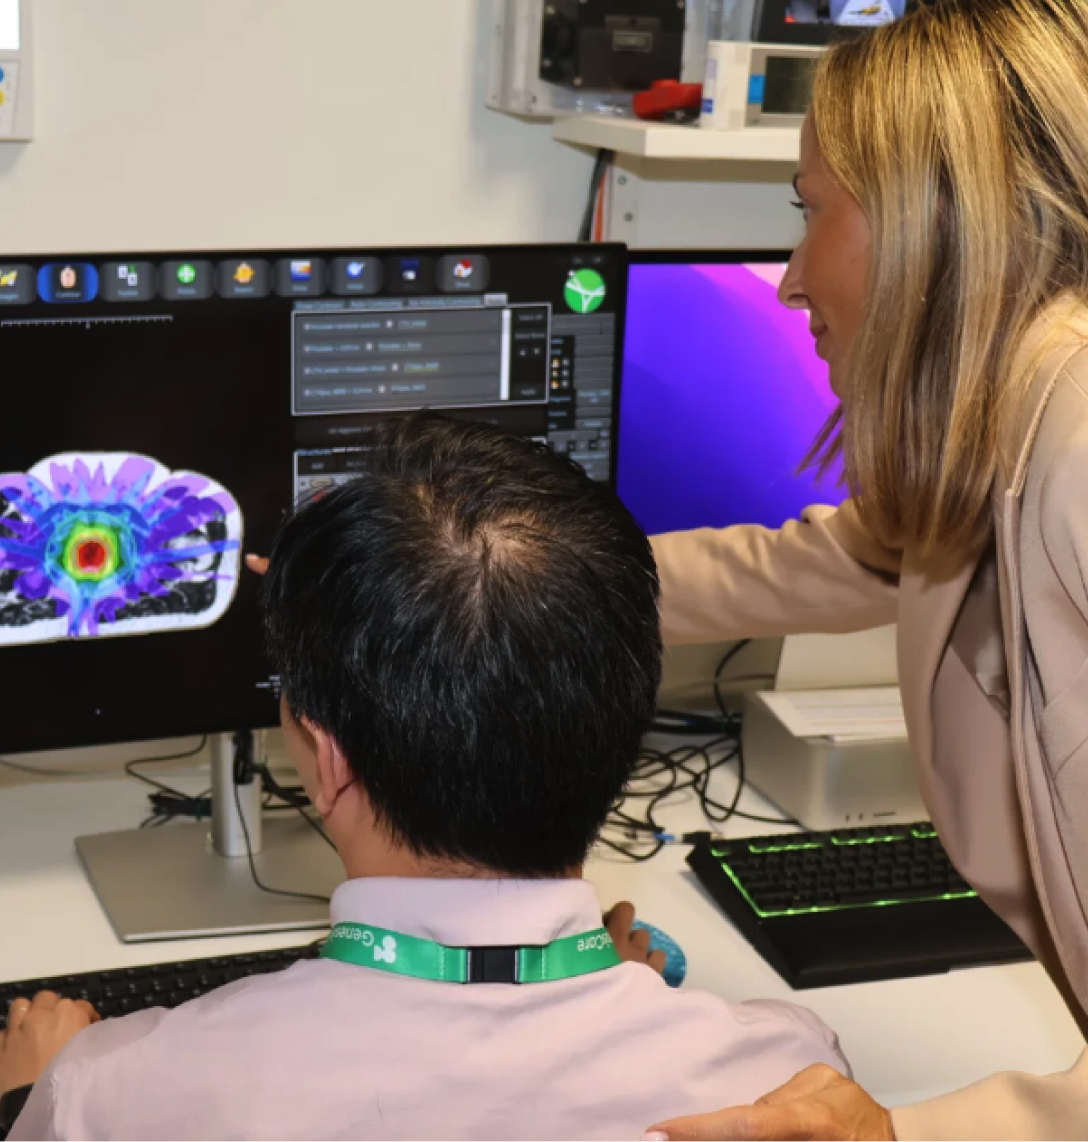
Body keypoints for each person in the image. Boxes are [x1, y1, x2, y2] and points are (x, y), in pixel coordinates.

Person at [0, 415, 847, 1142]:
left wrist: (25, 1094)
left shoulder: (112, 1095)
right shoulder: (796, 1086)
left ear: (328, 761)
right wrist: (599, 989)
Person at [637, 1, 1088, 1140]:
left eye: (809, 213)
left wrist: (901, 1133)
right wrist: (502, 581)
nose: (789, 281)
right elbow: (799, 566)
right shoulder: (999, 443)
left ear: (932, 214)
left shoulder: (1077, 443)